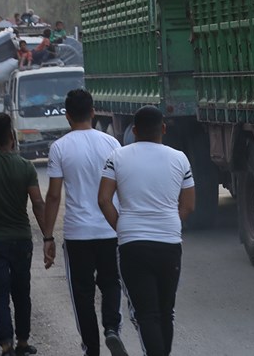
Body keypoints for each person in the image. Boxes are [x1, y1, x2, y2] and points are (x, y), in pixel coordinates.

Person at [98, 105, 195, 356]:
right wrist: (172, 224)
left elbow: (104, 199)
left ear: (134, 130)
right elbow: (189, 204)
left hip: (133, 244)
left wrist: (122, 228)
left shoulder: (117, 157)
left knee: (146, 313)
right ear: (163, 128)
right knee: (166, 312)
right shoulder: (180, 158)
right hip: (169, 243)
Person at [43, 89, 129, 356]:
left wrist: (48, 237)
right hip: (109, 229)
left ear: (67, 116)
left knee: (81, 294)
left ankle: (91, 348)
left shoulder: (59, 147)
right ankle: (112, 328)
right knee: (112, 282)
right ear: (93, 112)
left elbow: (54, 195)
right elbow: (123, 188)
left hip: (77, 233)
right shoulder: (112, 144)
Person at [0, 112, 54, 356]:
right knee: (21, 292)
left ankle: (6, 345)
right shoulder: (25, 166)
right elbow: (38, 203)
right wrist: (48, 236)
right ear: (12, 136)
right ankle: (23, 342)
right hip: (21, 240)